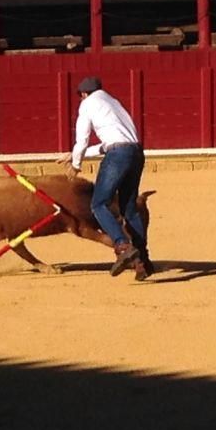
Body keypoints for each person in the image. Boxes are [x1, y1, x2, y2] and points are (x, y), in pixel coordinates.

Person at [57, 76, 152, 280]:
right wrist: (73, 154)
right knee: (129, 208)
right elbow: (111, 143)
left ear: (83, 94)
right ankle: (142, 260)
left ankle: (122, 245)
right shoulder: (113, 102)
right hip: (136, 153)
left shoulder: (88, 104)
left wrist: (75, 164)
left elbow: (82, 140)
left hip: (118, 155)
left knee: (99, 204)